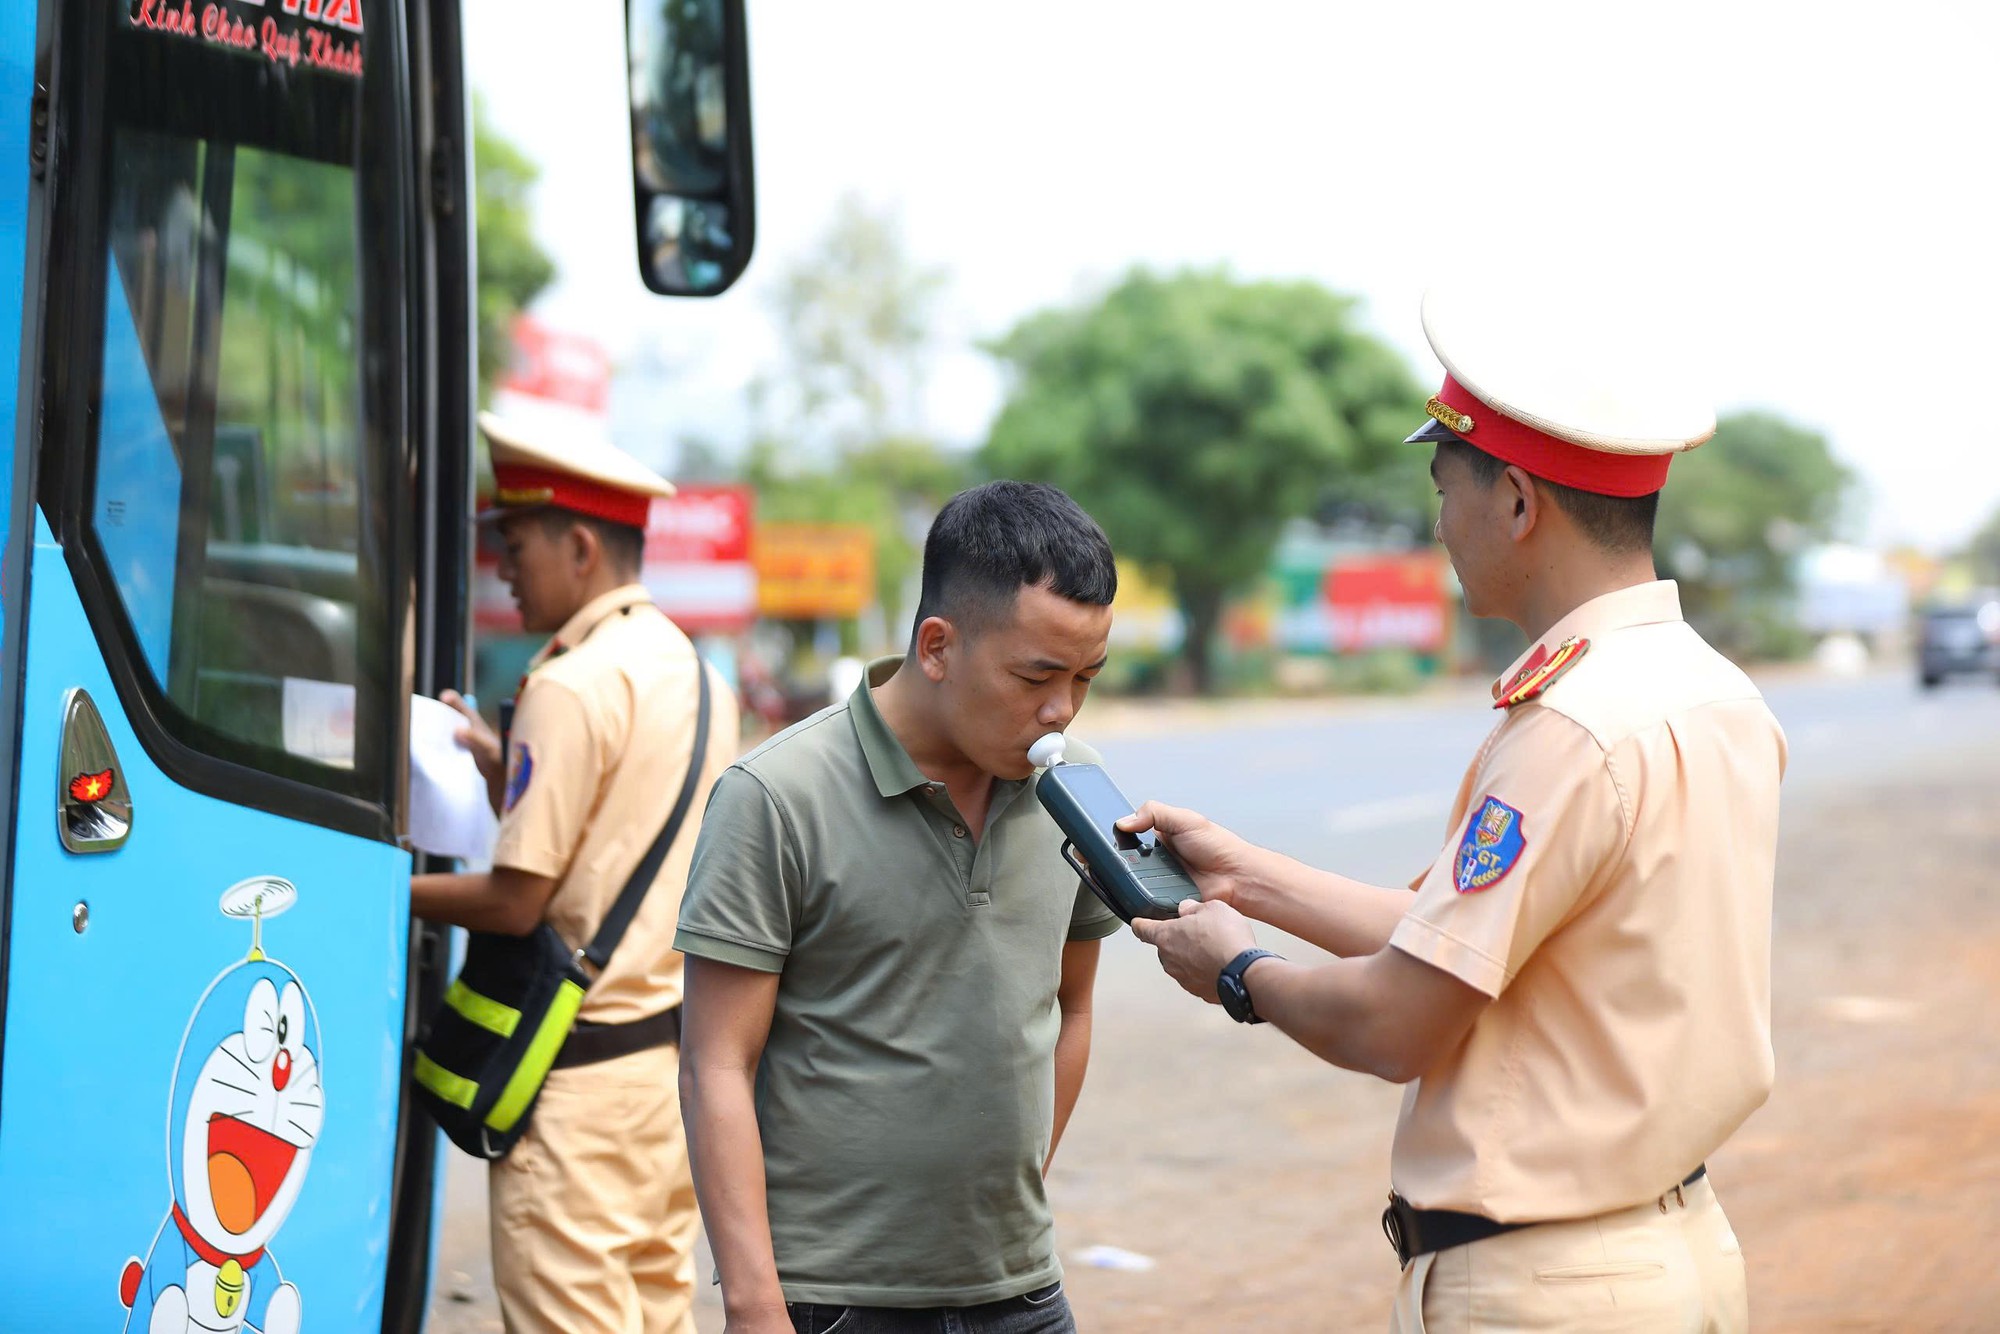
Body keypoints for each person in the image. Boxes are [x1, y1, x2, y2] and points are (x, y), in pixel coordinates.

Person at [1128, 283, 1787, 1332]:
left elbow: (1397, 1020)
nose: (1439, 524)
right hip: (1671, 1248)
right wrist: (1241, 871)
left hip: (1551, 1289)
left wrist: (1237, 971)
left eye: (1446, 488)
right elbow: (1455, 940)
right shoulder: (1706, 689)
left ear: (1517, 502)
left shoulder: (1569, 728)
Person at [676, 481, 1123, 1334]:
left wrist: (1008, 1203)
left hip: (1024, 1293)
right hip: (837, 1303)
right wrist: (754, 1301)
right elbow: (714, 1064)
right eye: (1035, 674)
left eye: (1085, 677)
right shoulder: (775, 797)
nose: (1059, 710)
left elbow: (1072, 1007)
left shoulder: (1076, 789)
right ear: (937, 646)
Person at [411, 413, 738, 1334]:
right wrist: (500, 764)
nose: (502, 567)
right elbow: (630, 827)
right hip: (666, 1084)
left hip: (576, 1093)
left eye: (514, 544)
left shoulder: (569, 683)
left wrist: (372, 891)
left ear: (582, 545)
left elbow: (517, 903)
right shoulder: (693, 671)